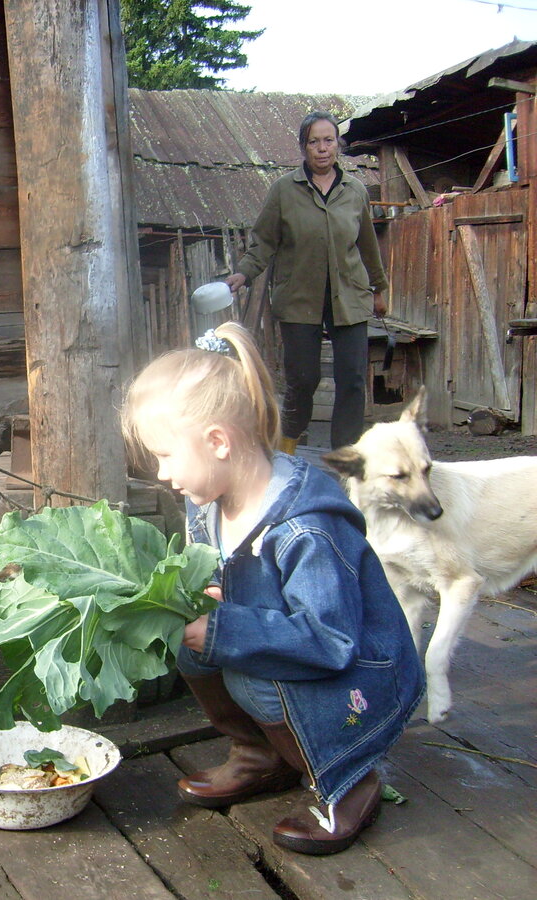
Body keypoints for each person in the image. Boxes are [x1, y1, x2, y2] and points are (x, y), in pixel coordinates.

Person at [120, 321, 422, 855]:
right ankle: (261, 757)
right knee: (190, 650)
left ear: (217, 441)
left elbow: (330, 641)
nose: (163, 474)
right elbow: (219, 577)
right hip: (294, 651)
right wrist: (208, 596)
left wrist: (225, 627)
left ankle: (349, 779)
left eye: (165, 455)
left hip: (360, 674)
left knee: (251, 680)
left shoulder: (306, 528)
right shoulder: (207, 501)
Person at [225, 110, 388, 453]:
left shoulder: (355, 190)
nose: (322, 148)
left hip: (351, 296)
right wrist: (244, 272)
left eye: (328, 140)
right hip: (299, 297)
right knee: (302, 379)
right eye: (314, 142)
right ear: (303, 148)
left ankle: (345, 459)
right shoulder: (284, 190)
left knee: (353, 380)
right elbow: (263, 242)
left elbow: (368, 245)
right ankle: (287, 450)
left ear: (338, 146)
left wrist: (380, 288)